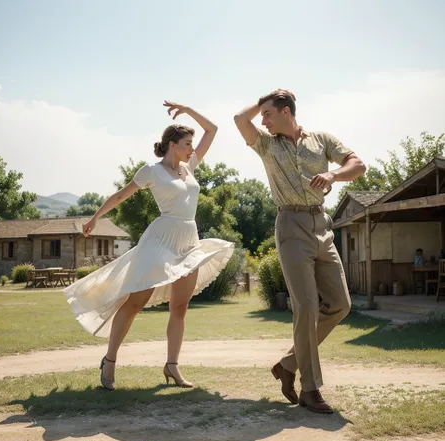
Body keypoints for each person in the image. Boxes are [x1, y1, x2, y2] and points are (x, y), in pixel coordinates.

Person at [65, 101, 234, 391]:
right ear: (171, 144)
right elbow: (120, 196)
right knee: (134, 303)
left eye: (193, 144)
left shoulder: (190, 166)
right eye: (186, 143)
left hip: (188, 239)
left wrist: (186, 109)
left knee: (180, 306)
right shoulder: (151, 171)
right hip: (160, 240)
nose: (192, 148)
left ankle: (172, 367)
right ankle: (110, 360)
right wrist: (94, 218)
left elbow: (213, 129)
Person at [234, 89, 366, 414]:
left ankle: (287, 365)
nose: (261, 120)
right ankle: (310, 390)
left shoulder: (321, 139)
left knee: (340, 304)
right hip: (290, 226)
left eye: (267, 114)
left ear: (286, 112)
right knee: (306, 307)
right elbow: (239, 119)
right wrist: (264, 98)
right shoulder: (266, 145)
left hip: (322, 225)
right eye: (261, 114)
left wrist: (333, 173)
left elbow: (358, 164)